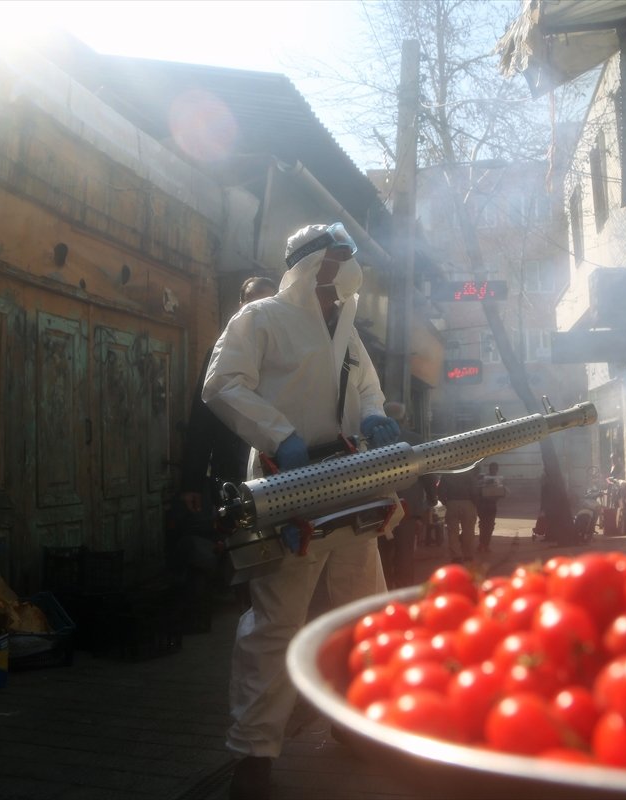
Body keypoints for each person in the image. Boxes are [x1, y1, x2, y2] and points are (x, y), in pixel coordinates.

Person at [202, 222, 402, 800]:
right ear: (309, 264)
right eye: (331, 262)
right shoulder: (259, 319)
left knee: (362, 611)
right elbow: (221, 384)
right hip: (285, 483)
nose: (339, 274)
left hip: (348, 480)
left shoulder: (346, 325)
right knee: (276, 622)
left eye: (347, 263)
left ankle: (354, 718)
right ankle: (254, 753)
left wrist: (373, 416)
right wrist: (277, 433)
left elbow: (366, 386)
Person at [172, 276, 277, 611]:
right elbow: (202, 418)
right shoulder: (221, 352)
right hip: (231, 467)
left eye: (267, 302)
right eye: (253, 302)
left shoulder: (284, 353)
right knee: (235, 534)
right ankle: (241, 596)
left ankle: (262, 592)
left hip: (275, 464)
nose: (259, 310)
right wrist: (190, 482)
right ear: (242, 305)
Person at [376, 401, 436, 588]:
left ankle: (384, 595)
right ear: (405, 420)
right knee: (405, 555)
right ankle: (402, 596)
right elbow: (427, 473)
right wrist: (432, 498)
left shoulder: (372, 440)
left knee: (382, 555)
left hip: (379, 510)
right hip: (406, 509)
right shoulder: (415, 440)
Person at [437, 465, 479, 563]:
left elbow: (440, 492)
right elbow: (474, 491)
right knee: (468, 531)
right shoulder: (469, 474)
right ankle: (468, 555)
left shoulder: (446, 475)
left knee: (452, 532)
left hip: (452, 503)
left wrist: (446, 503)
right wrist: (475, 503)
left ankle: (456, 556)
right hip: (468, 503)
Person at [476, 461, 507, 554]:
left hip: (491, 505)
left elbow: (503, 492)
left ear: (497, 470)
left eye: (495, 469)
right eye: (492, 468)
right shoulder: (483, 479)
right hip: (483, 505)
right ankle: (482, 544)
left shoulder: (498, 480)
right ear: (490, 469)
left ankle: (485, 545)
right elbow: (479, 490)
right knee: (484, 525)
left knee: (489, 526)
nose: (493, 470)